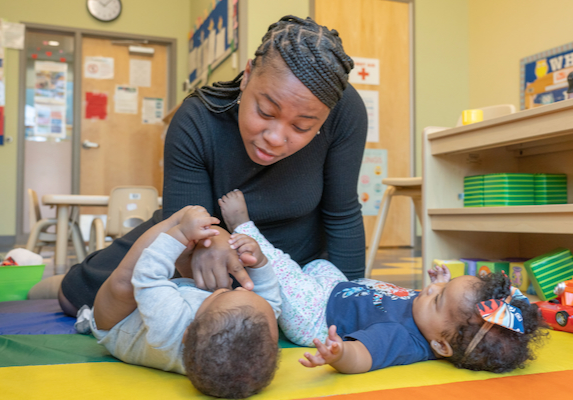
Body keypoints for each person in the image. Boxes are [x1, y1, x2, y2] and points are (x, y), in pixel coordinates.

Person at [58, 15, 367, 316]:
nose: (274, 138)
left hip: (294, 257)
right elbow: (184, 224)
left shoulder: (344, 111)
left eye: (301, 128)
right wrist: (210, 238)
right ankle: (47, 283)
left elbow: (342, 213)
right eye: (265, 111)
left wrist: (353, 301)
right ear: (246, 75)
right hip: (203, 243)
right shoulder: (197, 120)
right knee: (76, 297)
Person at [218, 190, 548, 374]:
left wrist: (339, 352)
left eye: (437, 298)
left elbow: (363, 357)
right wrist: (443, 286)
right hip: (335, 288)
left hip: (316, 315)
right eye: (441, 288)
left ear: (440, 346)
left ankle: (244, 228)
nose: (429, 289)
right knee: (320, 264)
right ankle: (297, 270)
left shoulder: (402, 338)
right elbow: (443, 303)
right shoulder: (438, 321)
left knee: (281, 270)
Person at [88, 204, 281, 398]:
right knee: (208, 282)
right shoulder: (228, 331)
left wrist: (179, 233)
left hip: (119, 323)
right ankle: (188, 254)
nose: (239, 287)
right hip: (183, 300)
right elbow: (271, 301)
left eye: (225, 294)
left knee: (124, 285)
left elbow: (148, 275)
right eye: (247, 293)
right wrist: (259, 263)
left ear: (187, 334)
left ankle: (176, 220)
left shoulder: (169, 330)